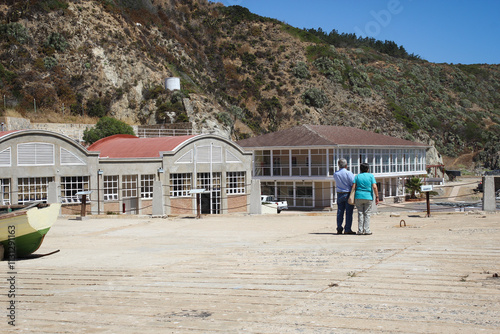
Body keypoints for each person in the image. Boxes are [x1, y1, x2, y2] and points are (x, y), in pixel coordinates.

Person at [352, 162, 379, 235]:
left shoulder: (357, 176)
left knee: (360, 213)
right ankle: (367, 230)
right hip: (368, 197)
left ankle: (360, 230)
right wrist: (377, 196)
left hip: (358, 196)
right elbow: (374, 187)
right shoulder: (371, 176)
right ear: (368, 169)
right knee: (367, 213)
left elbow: (353, 187)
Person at [333, 158, 355, 234]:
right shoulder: (349, 173)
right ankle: (347, 229)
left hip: (339, 193)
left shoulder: (336, 174)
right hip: (347, 193)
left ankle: (339, 227)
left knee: (340, 212)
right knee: (349, 212)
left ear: (339, 165)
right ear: (346, 165)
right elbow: (353, 184)